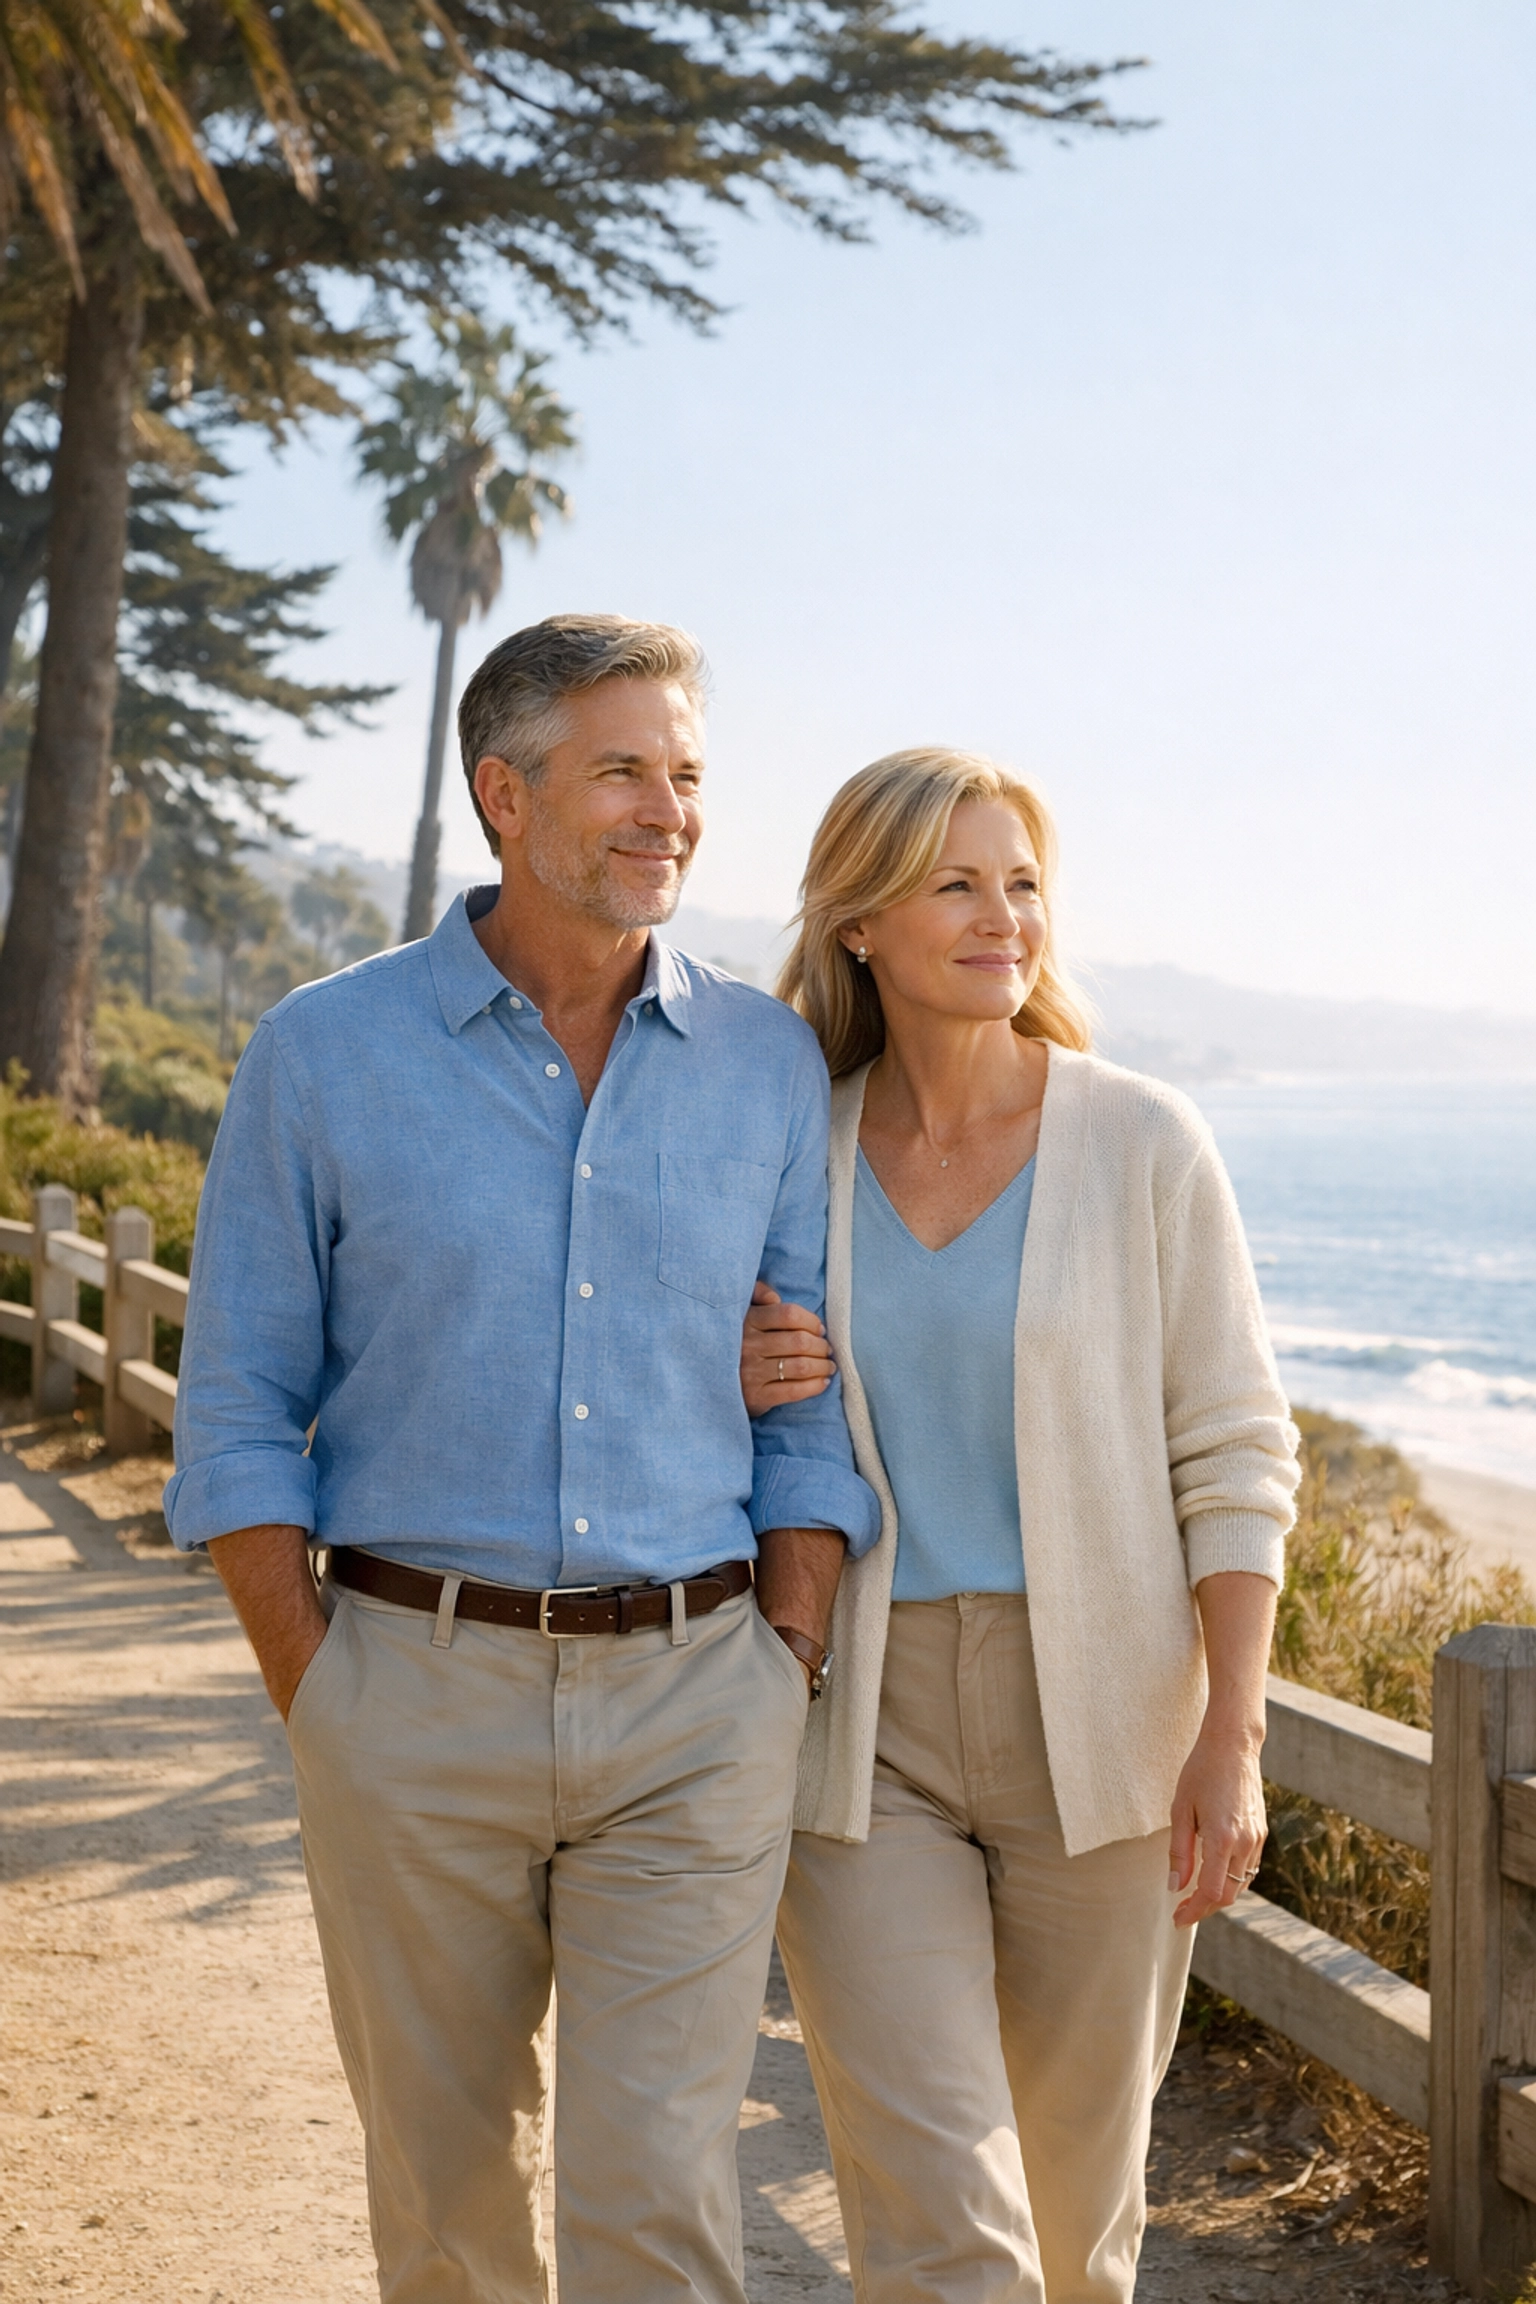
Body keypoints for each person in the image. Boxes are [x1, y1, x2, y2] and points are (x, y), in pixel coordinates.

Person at [166, 613, 879, 2304]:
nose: (671, 810)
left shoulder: (768, 1064)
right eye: (623, 768)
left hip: (698, 1702)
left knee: (656, 2199)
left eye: (689, 774)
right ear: (504, 792)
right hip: (406, 1693)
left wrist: (784, 1650)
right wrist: (319, 1684)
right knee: (445, 2204)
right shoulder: (322, 1055)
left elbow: (804, 1399)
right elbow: (238, 1406)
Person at [740, 748, 1299, 2304]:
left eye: (1025, 882)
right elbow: (711, 1396)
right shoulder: (803, 1148)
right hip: (869, 1733)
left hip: (1109, 1725)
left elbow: (1239, 1450)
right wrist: (731, 1369)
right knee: (939, 2218)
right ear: (860, 922)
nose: (1007, 917)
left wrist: (1230, 1731)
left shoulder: (1143, 1141)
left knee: (1073, 2232)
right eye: (958, 883)